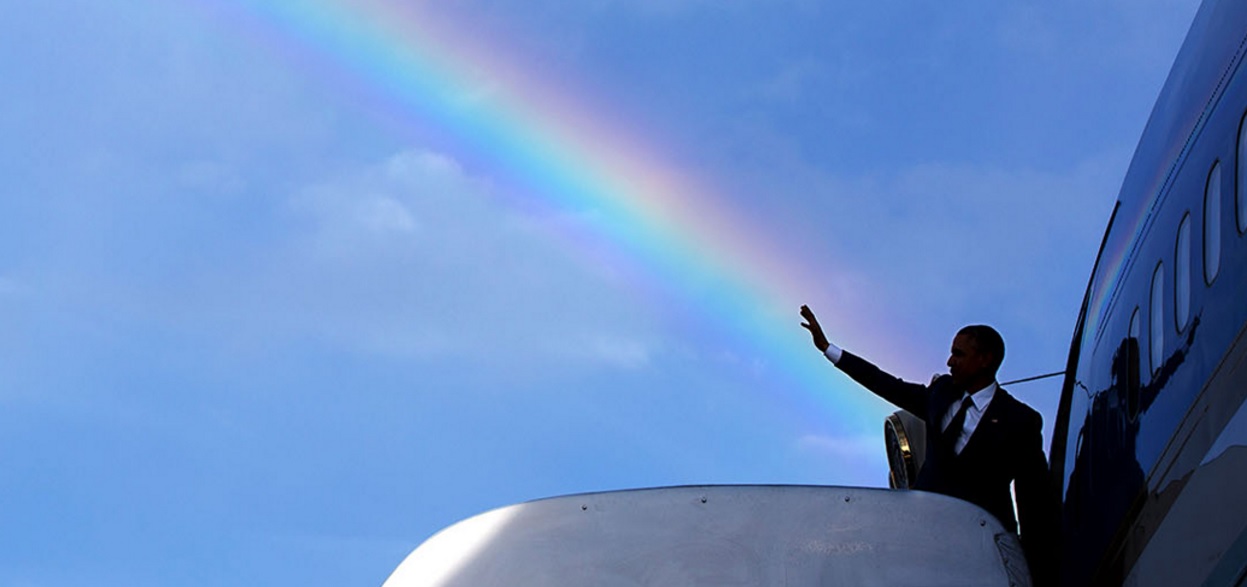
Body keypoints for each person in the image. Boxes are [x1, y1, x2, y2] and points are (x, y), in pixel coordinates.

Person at [800, 304, 1054, 578]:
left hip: (981, 551)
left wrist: (1034, 571)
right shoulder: (940, 394)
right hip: (924, 540)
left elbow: (1035, 504)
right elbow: (885, 383)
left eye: (958, 354)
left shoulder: (1021, 421)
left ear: (985, 359)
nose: (949, 361)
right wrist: (828, 348)